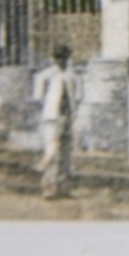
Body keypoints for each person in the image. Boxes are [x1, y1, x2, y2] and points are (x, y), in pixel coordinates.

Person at [32, 43, 80, 200]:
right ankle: (48, 186)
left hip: (67, 117)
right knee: (52, 152)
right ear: (53, 59)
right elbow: (38, 97)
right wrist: (46, 109)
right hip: (51, 117)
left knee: (66, 153)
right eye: (58, 58)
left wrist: (72, 114)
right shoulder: (46, 75)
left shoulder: (72, 76)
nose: (61, 61)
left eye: (64, 57)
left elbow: (77, 97)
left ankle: (63, 187)